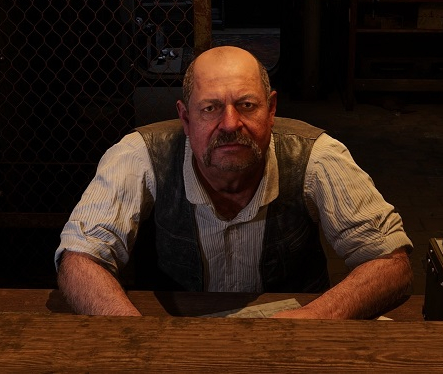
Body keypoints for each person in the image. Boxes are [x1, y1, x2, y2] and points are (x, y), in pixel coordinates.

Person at [55, 45, 412, 319]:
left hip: (293, 336)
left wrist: (313, 319)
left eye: (247, 105)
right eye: (210, 108)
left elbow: (392, 264)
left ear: (271, 110)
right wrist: (138, 336)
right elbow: (80, 260)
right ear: (185, 117)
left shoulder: (317, 155)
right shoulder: (140, 155)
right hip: (176, 332)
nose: (229, 124)